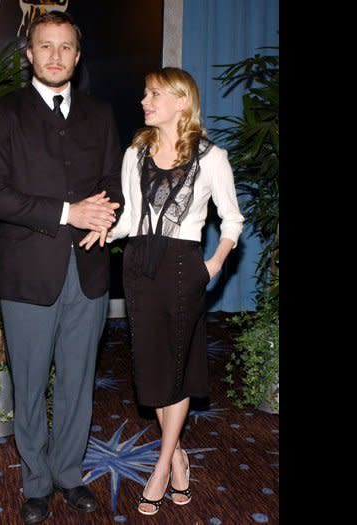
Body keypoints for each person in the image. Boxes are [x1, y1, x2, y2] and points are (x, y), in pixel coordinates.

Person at [0, 10, 124, 525]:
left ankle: (69, 474)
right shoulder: (4, 113)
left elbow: (114, 182)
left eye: (65, 47)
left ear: (78, 58)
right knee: (31, 382)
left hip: (89, 271)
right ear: (29, 54)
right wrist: (67, 212)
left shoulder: (101, 114)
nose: (55, 56)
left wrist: (107, 216)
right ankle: (35, 482)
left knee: (79, 381)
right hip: (27, 275)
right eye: (46, 46)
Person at [108, 67, 244, 515]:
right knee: (153, 368)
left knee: (178, 366)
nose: (145, 101)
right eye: (145, 93)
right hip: (139, 266)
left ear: (182, 101)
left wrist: (214, 265)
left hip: (186, 268)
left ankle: (162, 465)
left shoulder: (211, 157)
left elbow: (232, 220)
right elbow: (129, 219)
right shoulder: (136, 152)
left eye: (155, 94)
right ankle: (180, 455)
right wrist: (100, 232)